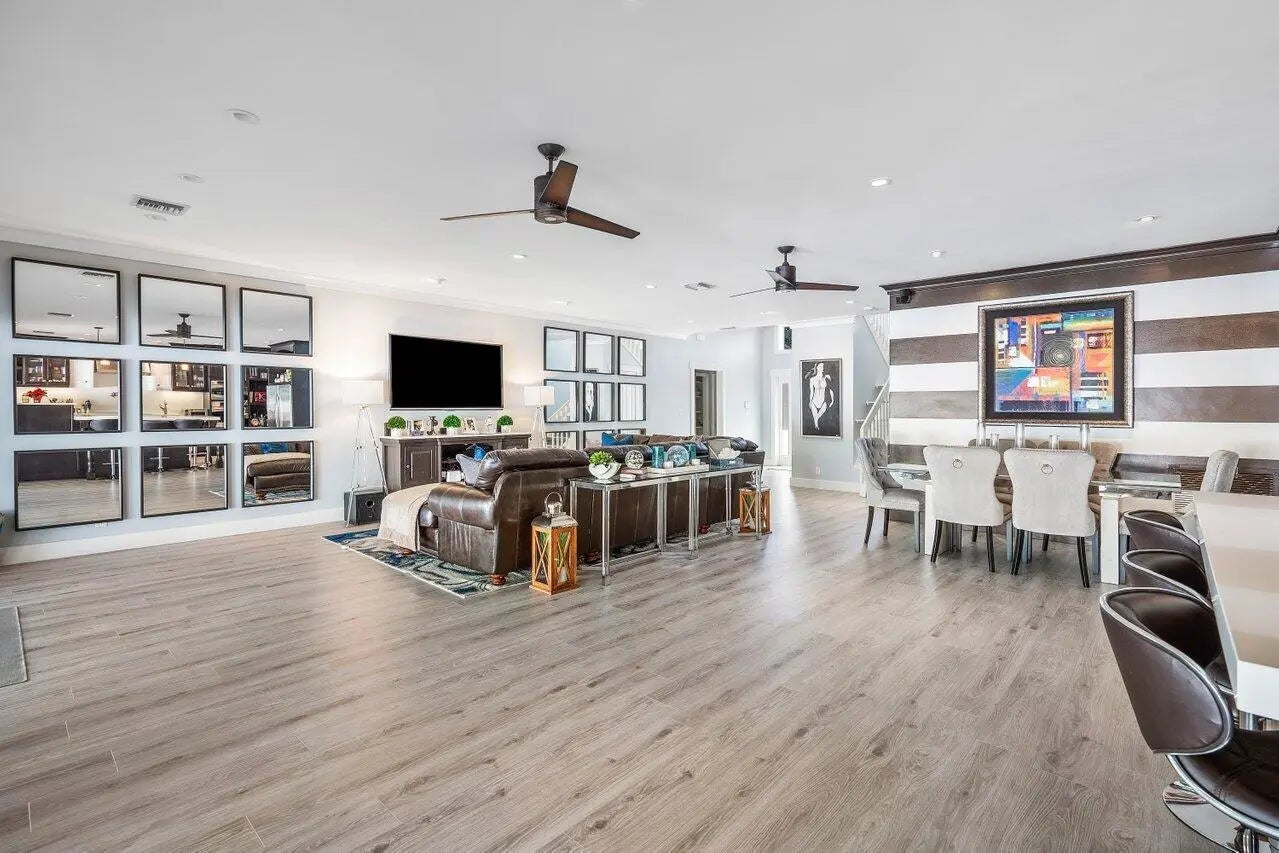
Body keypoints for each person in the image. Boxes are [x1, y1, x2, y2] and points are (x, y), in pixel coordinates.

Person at [806, 362, 834, 430]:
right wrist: (810, 401)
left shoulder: (827, 377)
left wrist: (832, 400)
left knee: (816, 419)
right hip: (814, 402)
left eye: (823, 366)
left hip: (823, 402)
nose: (822, 367)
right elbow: (811, 392)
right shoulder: (812, 379)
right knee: (816, 424)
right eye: (820, 366)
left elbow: (831, 390)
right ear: (816, 367)